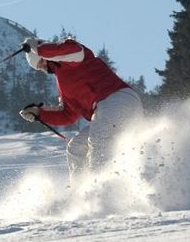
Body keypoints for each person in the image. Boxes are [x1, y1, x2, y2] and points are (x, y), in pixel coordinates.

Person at [19, 37, 143, 182]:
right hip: (107, 111)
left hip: (117, 99)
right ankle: (79, 192)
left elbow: (72, 50)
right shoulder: (63, 82)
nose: (43, 69)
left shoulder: (73, 56)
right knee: (76, 147)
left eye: (41, 63)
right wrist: (40, 113)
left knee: (98, 140)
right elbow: (69, 115)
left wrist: (38, 49)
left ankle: (100, 190)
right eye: (39, 68)